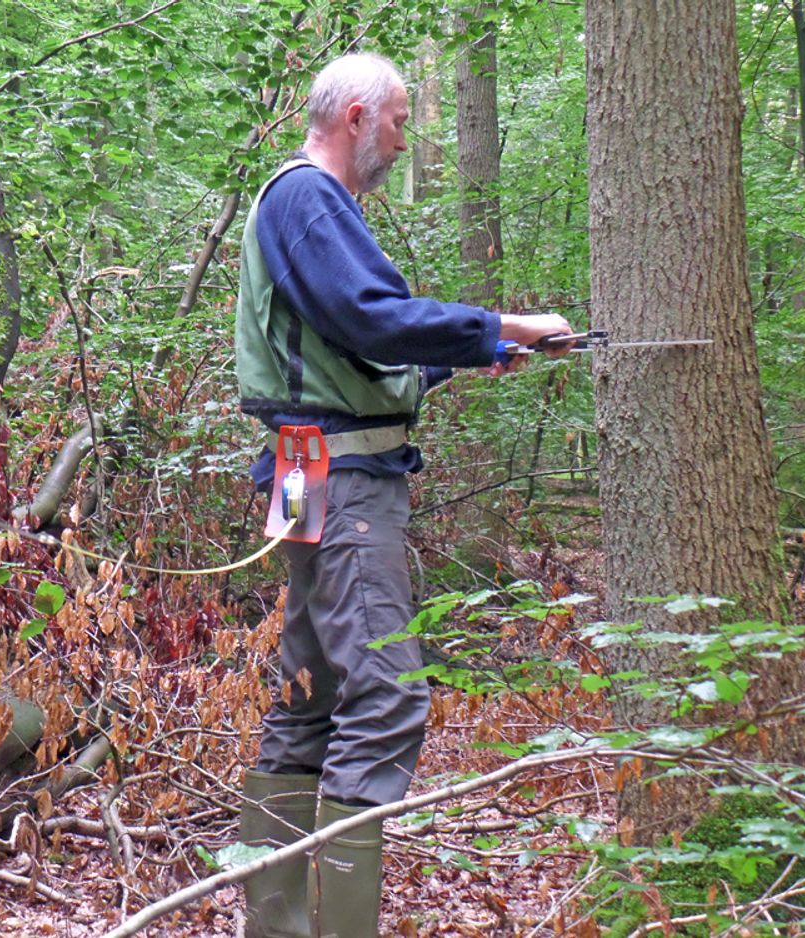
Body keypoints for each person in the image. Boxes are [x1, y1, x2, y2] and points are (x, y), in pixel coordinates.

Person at [234, 52, 573, 938]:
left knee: (307, 695)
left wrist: (480, 352)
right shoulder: (306, 198)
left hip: (315, 471)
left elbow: (361, 351)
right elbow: (370, 316)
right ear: (353, 117)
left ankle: (275, 928)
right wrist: (499, 324)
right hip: (337, 481)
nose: (402, 137)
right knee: (385, 697)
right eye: (397, 120)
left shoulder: (318, 207)